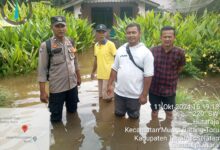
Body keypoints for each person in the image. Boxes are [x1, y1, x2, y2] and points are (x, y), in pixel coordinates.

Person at [38, 16, 81, 122]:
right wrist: (42, 92)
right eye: (57, 26)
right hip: (57, 89)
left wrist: (79, 77)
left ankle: (73, 135)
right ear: (52, 27)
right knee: (56, 118)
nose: (60, 29)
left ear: (66, 27)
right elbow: (42, 70)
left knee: (73, 112)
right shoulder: (46, 45)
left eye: (63, 26)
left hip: (72, 86)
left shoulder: (71, 41)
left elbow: (75, 60)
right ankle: (59, 137)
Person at [107, 23, 154, 119]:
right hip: (119, 93)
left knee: (133, 119)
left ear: (139, 34)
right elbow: (114, 69)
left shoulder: (146, 53)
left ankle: (131, 134)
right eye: (129, 33)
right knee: (118, 116)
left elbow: (148, 76)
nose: (131, 35)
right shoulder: (120, 50)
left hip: (135, 96)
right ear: (126, 34)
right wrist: (109, 85)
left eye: (134, 32)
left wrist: (144, 95)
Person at [149, 26, 186, 122]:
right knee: (154, 112)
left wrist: (171, 76)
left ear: (174, 37)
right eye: (165, 37)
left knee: (169, 113)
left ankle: (168, 131)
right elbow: (148, 68)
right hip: (154, 89)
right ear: (161, 37)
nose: (167, 39)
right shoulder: (153, 51)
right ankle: (154, 130)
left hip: (169, 90)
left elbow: (180, 68)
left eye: (170, 36)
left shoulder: (180, 53)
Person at [91, 24, 117, 102]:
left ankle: (108, 112)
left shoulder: (111, 45)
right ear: (96, 33)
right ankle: (102, 113)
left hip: (109, 76)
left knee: (108, 98)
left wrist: (117, 75)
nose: (101, 34)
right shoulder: (96, 45)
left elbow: (117, 59)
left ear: (106, 33)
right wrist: (93, 72)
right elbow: (96, 60)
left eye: (103, 32)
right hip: (100, 75)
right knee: (101, 97)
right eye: (99, 32)